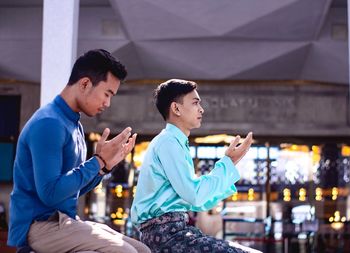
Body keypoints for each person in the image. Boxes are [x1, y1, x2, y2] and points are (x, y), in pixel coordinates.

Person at [8, 49, 151, 253]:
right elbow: (50, 194)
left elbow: (70, 191)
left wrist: (102, 168)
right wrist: (98, 161)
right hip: (39, 227)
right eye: (106, 94)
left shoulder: (73, 125)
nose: (107, 103)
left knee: (142, 250)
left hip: (64, 222)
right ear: (84, 84)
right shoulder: (49, 123)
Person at [131, 79, 261, 253]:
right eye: (195, 103)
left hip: (171, 233)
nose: (201, 109)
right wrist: (227, 164)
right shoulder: (168, 142)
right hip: (166, 237)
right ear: (176, 108)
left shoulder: (173, 142)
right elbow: (194, 195)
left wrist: (229, 163)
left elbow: (195, 201)